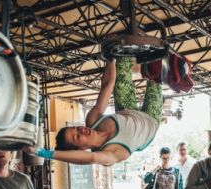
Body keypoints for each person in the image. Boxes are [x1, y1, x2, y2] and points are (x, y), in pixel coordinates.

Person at [24, 58, 162, 166]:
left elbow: (107, 85)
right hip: (151, 122)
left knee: (121, 63)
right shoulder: (111, 152)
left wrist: (109, 59)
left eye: (76, 128)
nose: (82, 130)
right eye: (77, 137)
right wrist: (44, 153)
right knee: (158, 74)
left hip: (128, 111)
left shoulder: (93, 120)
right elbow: (92, 158)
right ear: (80, 149)